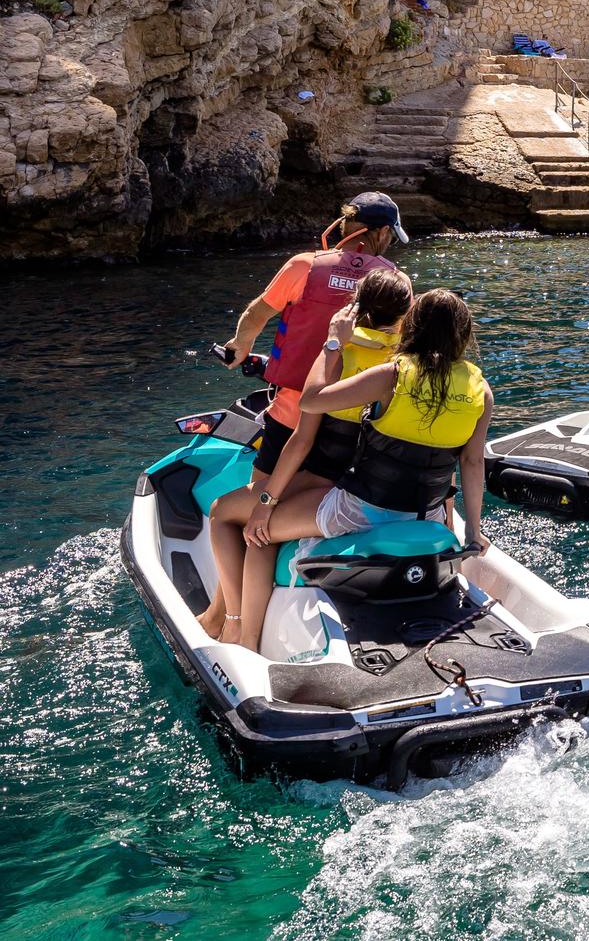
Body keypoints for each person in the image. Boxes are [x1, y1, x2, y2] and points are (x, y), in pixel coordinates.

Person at [196, 193, 406, 639]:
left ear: (345, 226)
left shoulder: (304, 265)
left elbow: (257, 313)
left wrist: (239, 349)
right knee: (263, 508)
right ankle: (221, 615)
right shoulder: (392, 280)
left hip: (295, 414)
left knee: (249, 506)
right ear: (380, 234)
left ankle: (232, 621)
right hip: (354, 429)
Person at [240, 289, 495, 647]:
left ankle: (246, 639)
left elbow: (312, 401)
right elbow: (471, 462)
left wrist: (332, 343)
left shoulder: (391, 376)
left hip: (359, 513)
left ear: (413, 327)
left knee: (260, 532)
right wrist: (474, 532)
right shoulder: (481, 391)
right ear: (464, 336)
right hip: (427, 517)